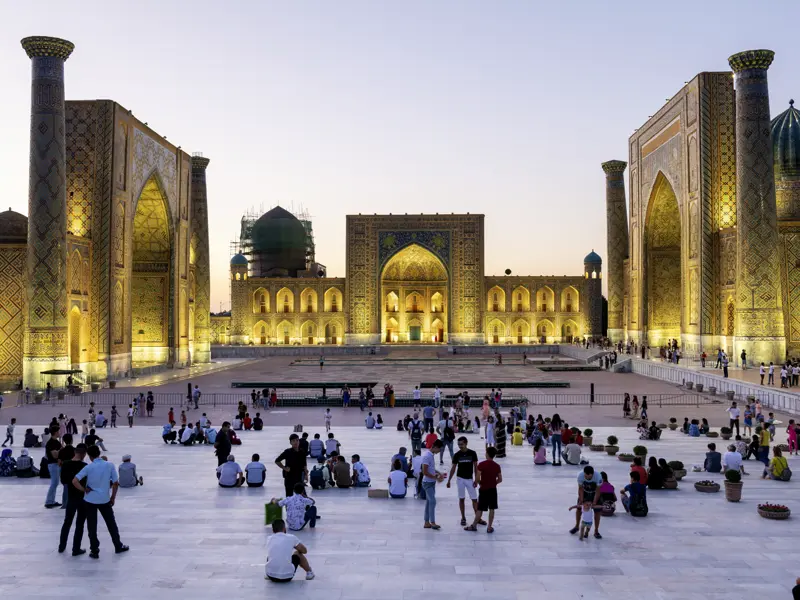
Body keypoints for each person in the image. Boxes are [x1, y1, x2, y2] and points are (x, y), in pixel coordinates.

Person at [71, 445, 129, 558]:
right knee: (111, 523)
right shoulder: (109, 465)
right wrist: (113, 497)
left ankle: (94, 550)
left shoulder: (89, 467)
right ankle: (118, 545)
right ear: (99, 453)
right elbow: (115, 483)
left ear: (89, 456)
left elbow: (74, 481)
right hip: (104, 499)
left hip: (90, 500)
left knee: (92, 526)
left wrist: (84, 490)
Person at [464, 446, 502, 533]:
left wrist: (478, 483)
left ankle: (474, 525)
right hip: (493, 490)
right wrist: (493, 483)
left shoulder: (481, 465)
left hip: (484, 489)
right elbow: (500, 479)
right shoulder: (497, 466)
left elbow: (477, 477)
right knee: (492, 508)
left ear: (487, 454)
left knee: (480, 508)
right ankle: (489, 527)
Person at [447, 437, 482, 527]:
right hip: (460, 479)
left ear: (466, 443)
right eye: (459, 444)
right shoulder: (457, 455)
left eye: (462, 444)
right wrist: (449, 480)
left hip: (469, 479)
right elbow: (453, 468)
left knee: (474, 499)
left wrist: (476, 480)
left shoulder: (472, 453)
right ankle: (463, 517)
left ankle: (478, 518)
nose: (460, 446)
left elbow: (476, 467)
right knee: (461, 498)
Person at [59, 443, 87, 554]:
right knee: (80, 524)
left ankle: (62, 546)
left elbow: (63, 481)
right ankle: (76, 548)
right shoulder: (84, 466)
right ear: (84, 454)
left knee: (67, 522)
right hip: (82, 498)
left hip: (70, 497)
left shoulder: (65, 464)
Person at [571, 465, 603, 538]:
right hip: (585, 492)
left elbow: (598, 490)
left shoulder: (598, 477)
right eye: (585, 475)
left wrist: (594, 502)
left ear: (592, 474)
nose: (587, 477)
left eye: (589, 476)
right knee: (579, 508)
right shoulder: (580, 476)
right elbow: (580, 488)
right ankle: (577, 526)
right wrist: (581, 500)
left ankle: (596, 531)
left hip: (595, 493)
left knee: (597, 512)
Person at [421, 439, 446, 529]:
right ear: (435, 447)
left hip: (431, 482)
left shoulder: (430, 455)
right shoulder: (427, 456)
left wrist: (439, 473)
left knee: (429, 502)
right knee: (432, 501)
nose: (439, 451)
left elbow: (431, 468)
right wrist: (436, 478)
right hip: (427, 483)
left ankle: (426, 522)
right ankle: (433, 522)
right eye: (439, 449)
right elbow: (425, 471)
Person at [44, 426, 62, 508]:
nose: (60, 432)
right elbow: (55, 455)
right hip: (53, 464)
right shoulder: (51, 443)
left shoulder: (56, 442)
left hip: (56, 464)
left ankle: (52, 500)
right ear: (55, 432)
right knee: (54, 483)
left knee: (55, 483)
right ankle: (49, 501)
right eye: (58, 431)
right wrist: (60, 451)